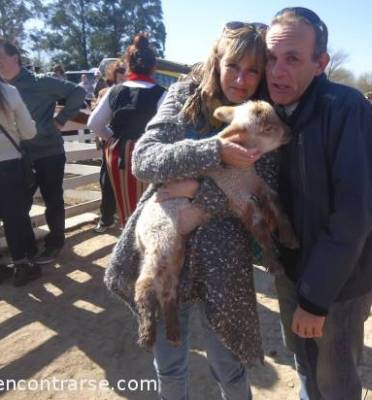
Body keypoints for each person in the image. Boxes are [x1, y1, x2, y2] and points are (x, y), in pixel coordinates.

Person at [105, 22, 270, 399]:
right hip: (164, 254)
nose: (242, 79)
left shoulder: (260, 115)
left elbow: (261, 190)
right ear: (217, 61)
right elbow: (144, 159)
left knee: (228, 365)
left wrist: (199, 195)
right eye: (233, 66)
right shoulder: (185, 96)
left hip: (223, 258)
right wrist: (213, 150)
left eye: (253, 70)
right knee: (170, 362)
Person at [266, 7, 372, 399]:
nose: (276, 71)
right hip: (292, 273)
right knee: (303, 366)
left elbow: (355, 216)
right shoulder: (274, 113)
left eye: (293, 59)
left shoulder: (346, 109)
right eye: (270, 57)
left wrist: (315, 299)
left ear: (321, 63)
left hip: (338, 286)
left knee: (335, 380)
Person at [0, 39, 86, 265]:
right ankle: (27, 250)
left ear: (15, 57)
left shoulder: (41, 82)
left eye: (0, 57)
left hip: (48, 152)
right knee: (19, 205)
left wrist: (59, 120)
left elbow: (77, 91)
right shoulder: (2, 88)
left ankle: (55, 243)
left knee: (52, 199)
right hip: (18, 157)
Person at [88, 34, 166, 226]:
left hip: (118, 154)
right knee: (150, 209)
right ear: (153, 66)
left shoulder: (115, 91)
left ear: (128, 65)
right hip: (148, 153)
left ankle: (127, 239)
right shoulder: (161, 93)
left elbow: (94, 124)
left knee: (126, 208)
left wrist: (113, 139)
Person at [0, 78, 40, 286]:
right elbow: (29, 132)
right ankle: (21, 264)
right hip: (7, 163)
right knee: (14, 215)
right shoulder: (9, 92)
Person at [91, 61, 126, 233]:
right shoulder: (106, 92)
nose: (124, 81)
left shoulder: (137, 93)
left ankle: (125, 215)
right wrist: (107, 137)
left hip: (130, 143)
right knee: (106, 182)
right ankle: (106, 218)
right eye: (120, 78)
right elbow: (97, 118)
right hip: (110, 144)